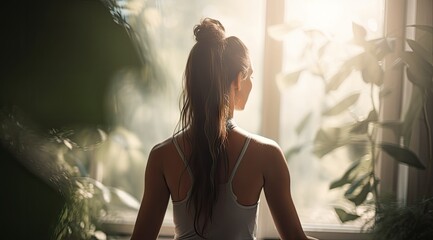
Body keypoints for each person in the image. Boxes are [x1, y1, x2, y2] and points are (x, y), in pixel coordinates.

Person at [131, 18, 312, 240]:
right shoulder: (267, 155)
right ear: (238, 80)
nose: (251, 82)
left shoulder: (162, 157)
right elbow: (295, 238)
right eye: (250, 75)